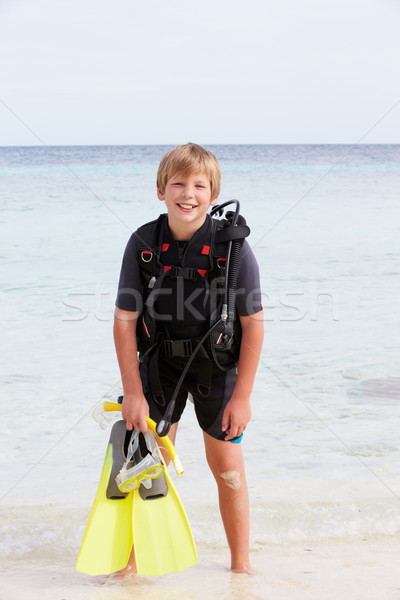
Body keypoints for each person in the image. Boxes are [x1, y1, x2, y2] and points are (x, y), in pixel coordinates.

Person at [113, 143, 264, 574]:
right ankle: (132, 567)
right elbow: (124, 322)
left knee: (228, 469)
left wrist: (244, 397)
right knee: (149, 467)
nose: (188, 193)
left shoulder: (232, 249)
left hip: (218, 369)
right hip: (160, 366)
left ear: (213, 195)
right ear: (160, 190)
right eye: (178, 183)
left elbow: (254, 325)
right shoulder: (144, 243)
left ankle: (241, 567)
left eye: (199, 185)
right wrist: (132, 392)